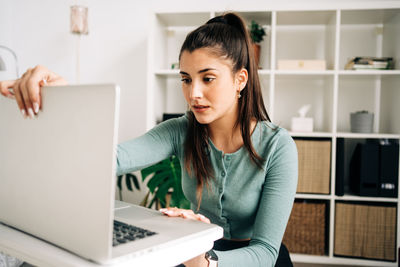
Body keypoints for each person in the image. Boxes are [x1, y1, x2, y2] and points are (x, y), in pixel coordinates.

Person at [0, 12, 298, 267]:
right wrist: (60, 101)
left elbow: (265, 253)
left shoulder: (278, 146)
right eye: (186, 78)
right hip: (199, 254)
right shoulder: (180, 130)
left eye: (207, 78)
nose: (193, 93)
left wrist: (208, 262)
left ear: (240, 80)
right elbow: (108, 159)